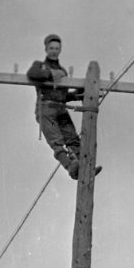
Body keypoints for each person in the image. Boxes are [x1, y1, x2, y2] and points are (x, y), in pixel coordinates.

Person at [27, 34, 101, 180]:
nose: (54, 51)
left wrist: (78, 94)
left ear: (60, 49)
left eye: (56, 48)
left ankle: (86, 168)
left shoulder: (63, 71)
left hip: (60, 108)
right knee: (57, 142)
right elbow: (32, 74)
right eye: (51, 48)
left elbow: (63, 95)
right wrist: (51, 74)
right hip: (46, 108)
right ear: (46, 49)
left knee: (73, 139)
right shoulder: (39, 65)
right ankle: (71, 167)